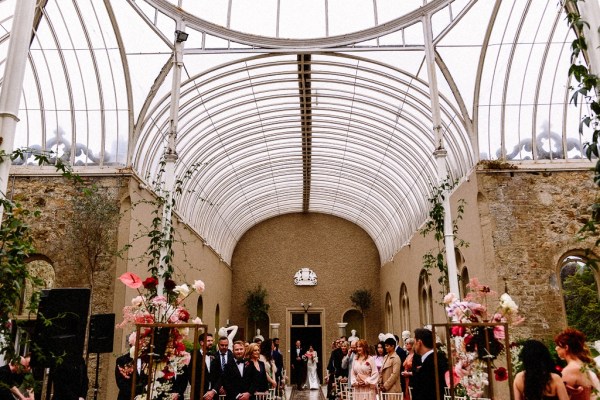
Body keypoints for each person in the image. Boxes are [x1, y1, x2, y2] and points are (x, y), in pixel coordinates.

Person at [555, 328, 600, 400]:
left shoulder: (571, 369)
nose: (556, 349)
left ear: (566, 347)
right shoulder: (585, 363)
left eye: (558, 346)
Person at [411, 328, 448, 400]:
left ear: (419, 342)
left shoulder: (432, 361)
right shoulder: (437, 358)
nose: (413, 345)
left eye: (414, 342)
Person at [187, 333, 215, 400]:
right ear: (202, 342)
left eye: (212, 341)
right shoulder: (194, 355)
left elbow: (218, 375)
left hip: (213, 394)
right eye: (208, 341)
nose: (211, 343)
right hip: (199, 394)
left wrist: (213, 391)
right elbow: (191, 375)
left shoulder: (214, 356)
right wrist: (203, 392)